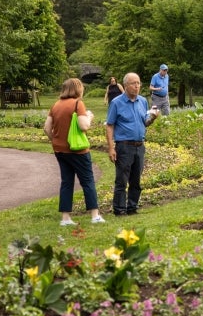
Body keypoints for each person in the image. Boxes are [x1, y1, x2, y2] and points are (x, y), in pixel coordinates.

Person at [44, 78, 104, 226]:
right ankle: (95, 215)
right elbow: (84, 126)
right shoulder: (78, 104)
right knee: (88, 181)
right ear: (77, 89)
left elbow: (46, 128)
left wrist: (56, 140)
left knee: (66, 182)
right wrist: (89, 116)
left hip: (60, 150)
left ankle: (65, 218)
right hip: (78, 151)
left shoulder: (55, 105)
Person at [106, 72, 160, 216]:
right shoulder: (117, 102)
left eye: (138, 83)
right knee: (122, 180)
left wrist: (153, 117)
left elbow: (145, 122)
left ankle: (132, 207)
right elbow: (110, 125)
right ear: (125, 85)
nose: (137, 86)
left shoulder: (142, 101)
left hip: (139, 145)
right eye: (133, 83)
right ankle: (119, 209)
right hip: (124, 145)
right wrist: (111, 148)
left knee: (136, 180)